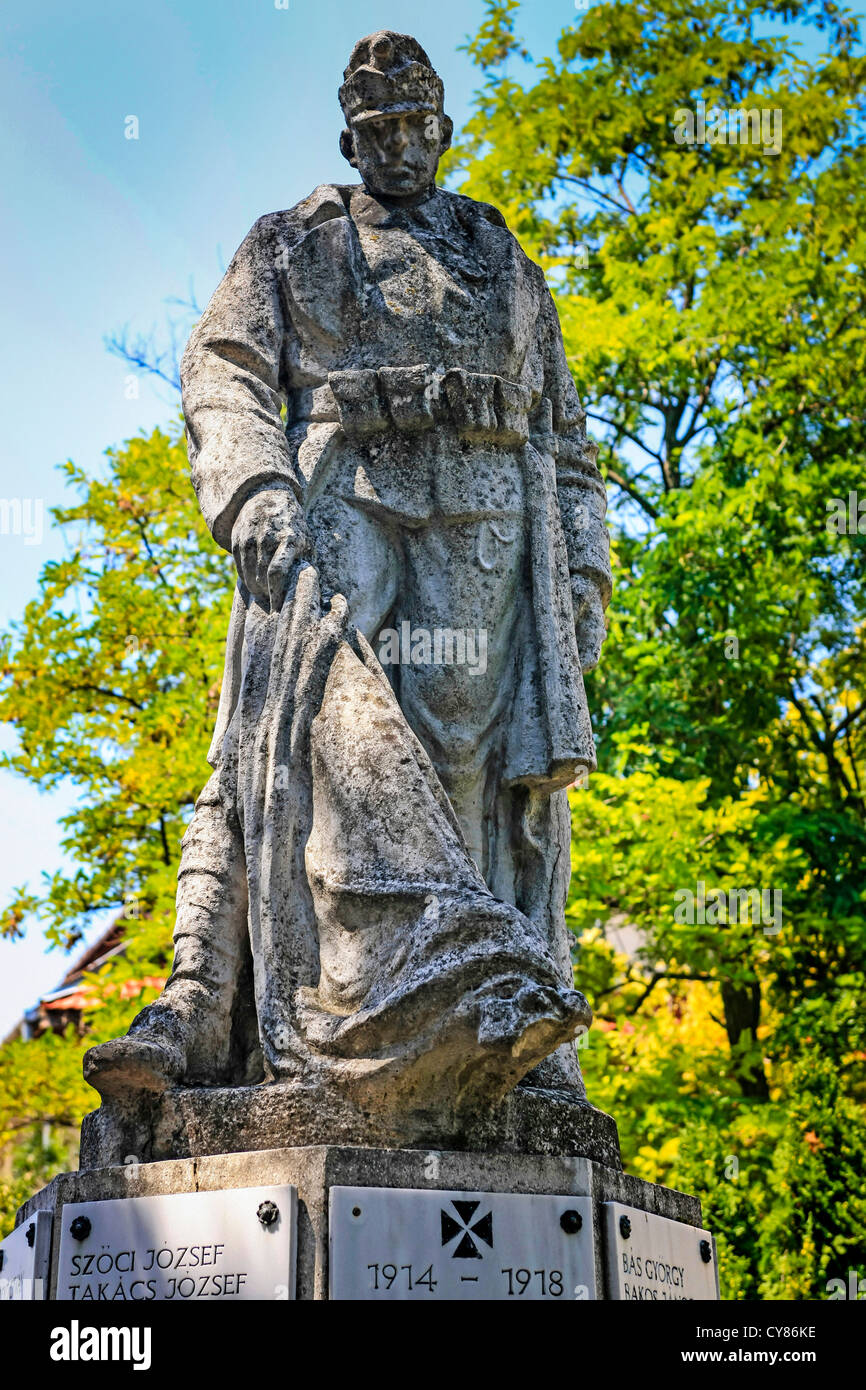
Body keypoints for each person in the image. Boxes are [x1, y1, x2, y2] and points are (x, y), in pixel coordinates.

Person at [85, 32, 611, 1125]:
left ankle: (489, 1012)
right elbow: (224, 371)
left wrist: (585, 571)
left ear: (446, 130)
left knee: (466, 763)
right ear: (349, 138)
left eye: (419, 127)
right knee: (301, 721)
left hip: (486, 525)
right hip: (346, 497)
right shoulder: (292, 244)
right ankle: (350, 1004)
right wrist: (255, 493)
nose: (402, 147)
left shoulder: (502, 259)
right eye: (379, 131)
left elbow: (564, 435)